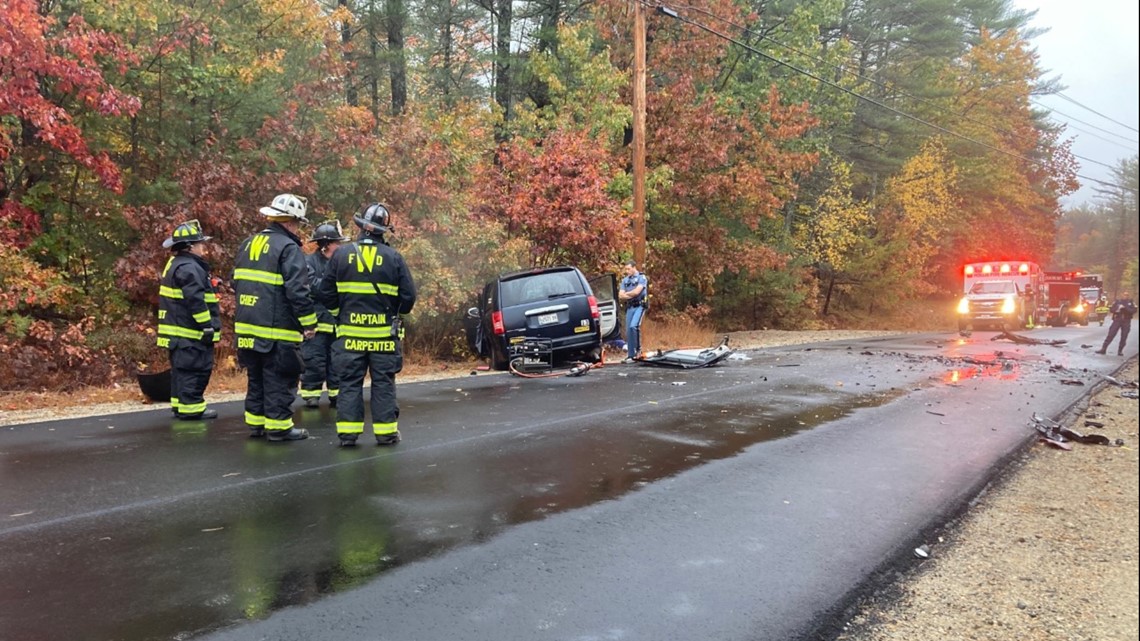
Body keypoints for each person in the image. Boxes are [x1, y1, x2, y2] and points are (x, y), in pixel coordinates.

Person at [318, 202, 417, 447]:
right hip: (383, 337)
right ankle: (385, 434)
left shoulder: (341, 255)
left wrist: (338, 313)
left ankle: (348, 435)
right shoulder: (393, 258)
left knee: (350, 382)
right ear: (384, 230)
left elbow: (324, 291)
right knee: (383, 382)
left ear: (361, 226)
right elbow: (408, 298)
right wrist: (395, 313)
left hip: (349, 336)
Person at [233, 194, 319, 441]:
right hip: (276, 329)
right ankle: (279, 427)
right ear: (290, 222)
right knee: (280, 377)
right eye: (298, 223)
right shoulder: (288, 248)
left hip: (247, 326)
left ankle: (257, 424)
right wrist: (309, 322)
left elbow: (235, 280)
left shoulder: (248, 243)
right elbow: (298, 290)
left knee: (256, 376)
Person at [157, 219, 222, 420]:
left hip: (177, 331)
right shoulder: (189, 267)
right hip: (190, 333)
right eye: (200, 244)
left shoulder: (176, 264)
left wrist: (211, 285)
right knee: (195, 370)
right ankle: (192, 409)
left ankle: (180, 405)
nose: (203, 247)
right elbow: (195, 301)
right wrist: (207, 326)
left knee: (181, 371)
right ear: (190, 247)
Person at [300, 220, 349, 409]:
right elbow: (314, 288)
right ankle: (311, 394)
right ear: (326, 244)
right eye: (338, 242)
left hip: (337, 323)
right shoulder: (308, 262)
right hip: (317, 324)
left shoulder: (342, 263)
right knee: (314, 360)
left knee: (338, 361)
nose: (341, 246)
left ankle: (336, 394)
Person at [617, 259, 648, 363]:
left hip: (640, 305)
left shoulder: (641, 278)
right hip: (630, 306)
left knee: (634, 326)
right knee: (628, 330)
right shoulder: (625, 280)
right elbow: (620, 295)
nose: (627, 271)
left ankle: (638, 351)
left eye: (629, 269)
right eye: (626, 269)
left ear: (634, 267)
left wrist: (627, 294)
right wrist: (630, 294)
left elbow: (637, 292)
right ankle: (631, 355)